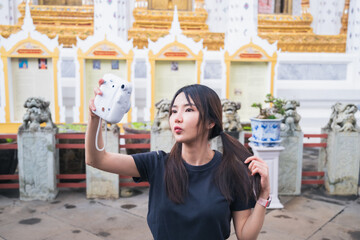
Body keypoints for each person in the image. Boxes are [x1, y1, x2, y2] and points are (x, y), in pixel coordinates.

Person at [86, 82, 270, 240]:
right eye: (174, 111)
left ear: (210, 122)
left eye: (188, 109)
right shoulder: (157, 164)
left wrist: (263, 196)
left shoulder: (231, 172)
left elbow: (245, 235)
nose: (177, 118)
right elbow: (97, 159)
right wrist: (95, 118)